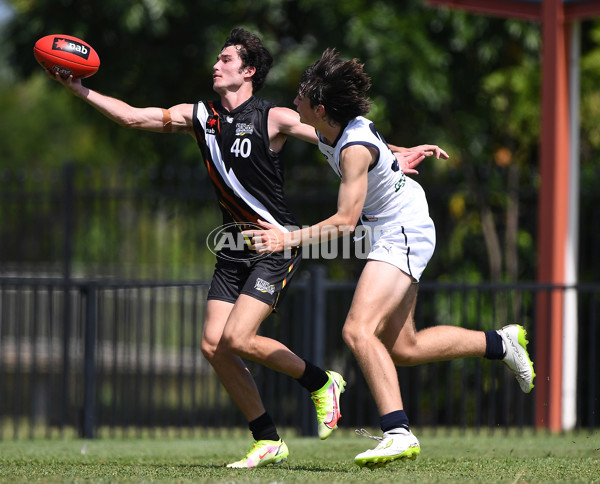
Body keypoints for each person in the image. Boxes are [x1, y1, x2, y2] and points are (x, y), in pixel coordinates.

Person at [46, 28, 350, 468]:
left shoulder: (274, 116)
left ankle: (323, 382)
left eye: (226, 59)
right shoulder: (199, 115)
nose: (216, 64)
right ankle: (267, 439)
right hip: (233, 248)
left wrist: (397, 151)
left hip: (274, 243)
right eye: (218, 58)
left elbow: (343, 139)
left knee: (239, 338)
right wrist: (79, 89)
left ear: (247, 71)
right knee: (213, 346)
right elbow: (132, 117)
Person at [243, 48, 536, 468]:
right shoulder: (333, 130)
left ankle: (398, 432)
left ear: (321, 108)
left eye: (302, 95)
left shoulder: (351, 148)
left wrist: (285, 239)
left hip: (402, 229)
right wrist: (399, 152)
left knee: (357, 330)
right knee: (404, 347)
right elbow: (374, 144)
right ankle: (500, 343)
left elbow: (344, 222)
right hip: (393, 225)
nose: (295, 100)